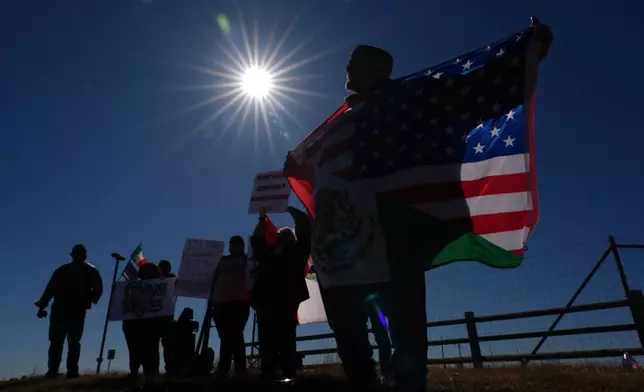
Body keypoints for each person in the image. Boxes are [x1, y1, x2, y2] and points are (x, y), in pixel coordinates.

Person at [251, 206, 310, 382]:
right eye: (280, 236)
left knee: (281, 336)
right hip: (269, 301)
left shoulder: (294, 254)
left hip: (281, 301)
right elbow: (257, 240)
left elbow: (258, 240)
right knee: (278, 337)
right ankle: (277, 371)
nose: (282, 238)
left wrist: (296, 214)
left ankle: (283, 371)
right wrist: (262, 218)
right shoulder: (271, 254)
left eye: (285, 236)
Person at [35, 244, 103, 379]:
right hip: (61, 310)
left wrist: (89, 300)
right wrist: (42, 305)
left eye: (82, 253)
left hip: (76, 310)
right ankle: (54, 371)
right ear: (73, 255)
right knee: (57, 342)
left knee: (72, 342)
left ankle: (70, 371)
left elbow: (98, 290)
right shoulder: (63, 270)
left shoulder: (89, 271)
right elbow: (50, 289)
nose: (81, 256)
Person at [211, 236, 251, 379]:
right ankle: (227, 368)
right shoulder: (221, 261)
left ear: (242, 246)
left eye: (237, 244)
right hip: (221, 303)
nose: (233, 247)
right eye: (232, 244)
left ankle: (236, 369)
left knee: (235, 335)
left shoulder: (247, 260)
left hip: (240, 302)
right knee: (226, 337)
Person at [122, 263, 164, 379]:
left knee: (149, 351)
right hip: (136, 325)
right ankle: (139, 373)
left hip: (149, 325)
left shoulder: (160, 287)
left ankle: (149, 374)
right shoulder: (132, 287)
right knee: (138, 350)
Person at [157, 260, 176, 375]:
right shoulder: (153, 280)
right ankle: (153, 369)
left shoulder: (171, 279)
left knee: (167, 344)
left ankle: (169, 367)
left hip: (166, 316)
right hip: (155, 316)